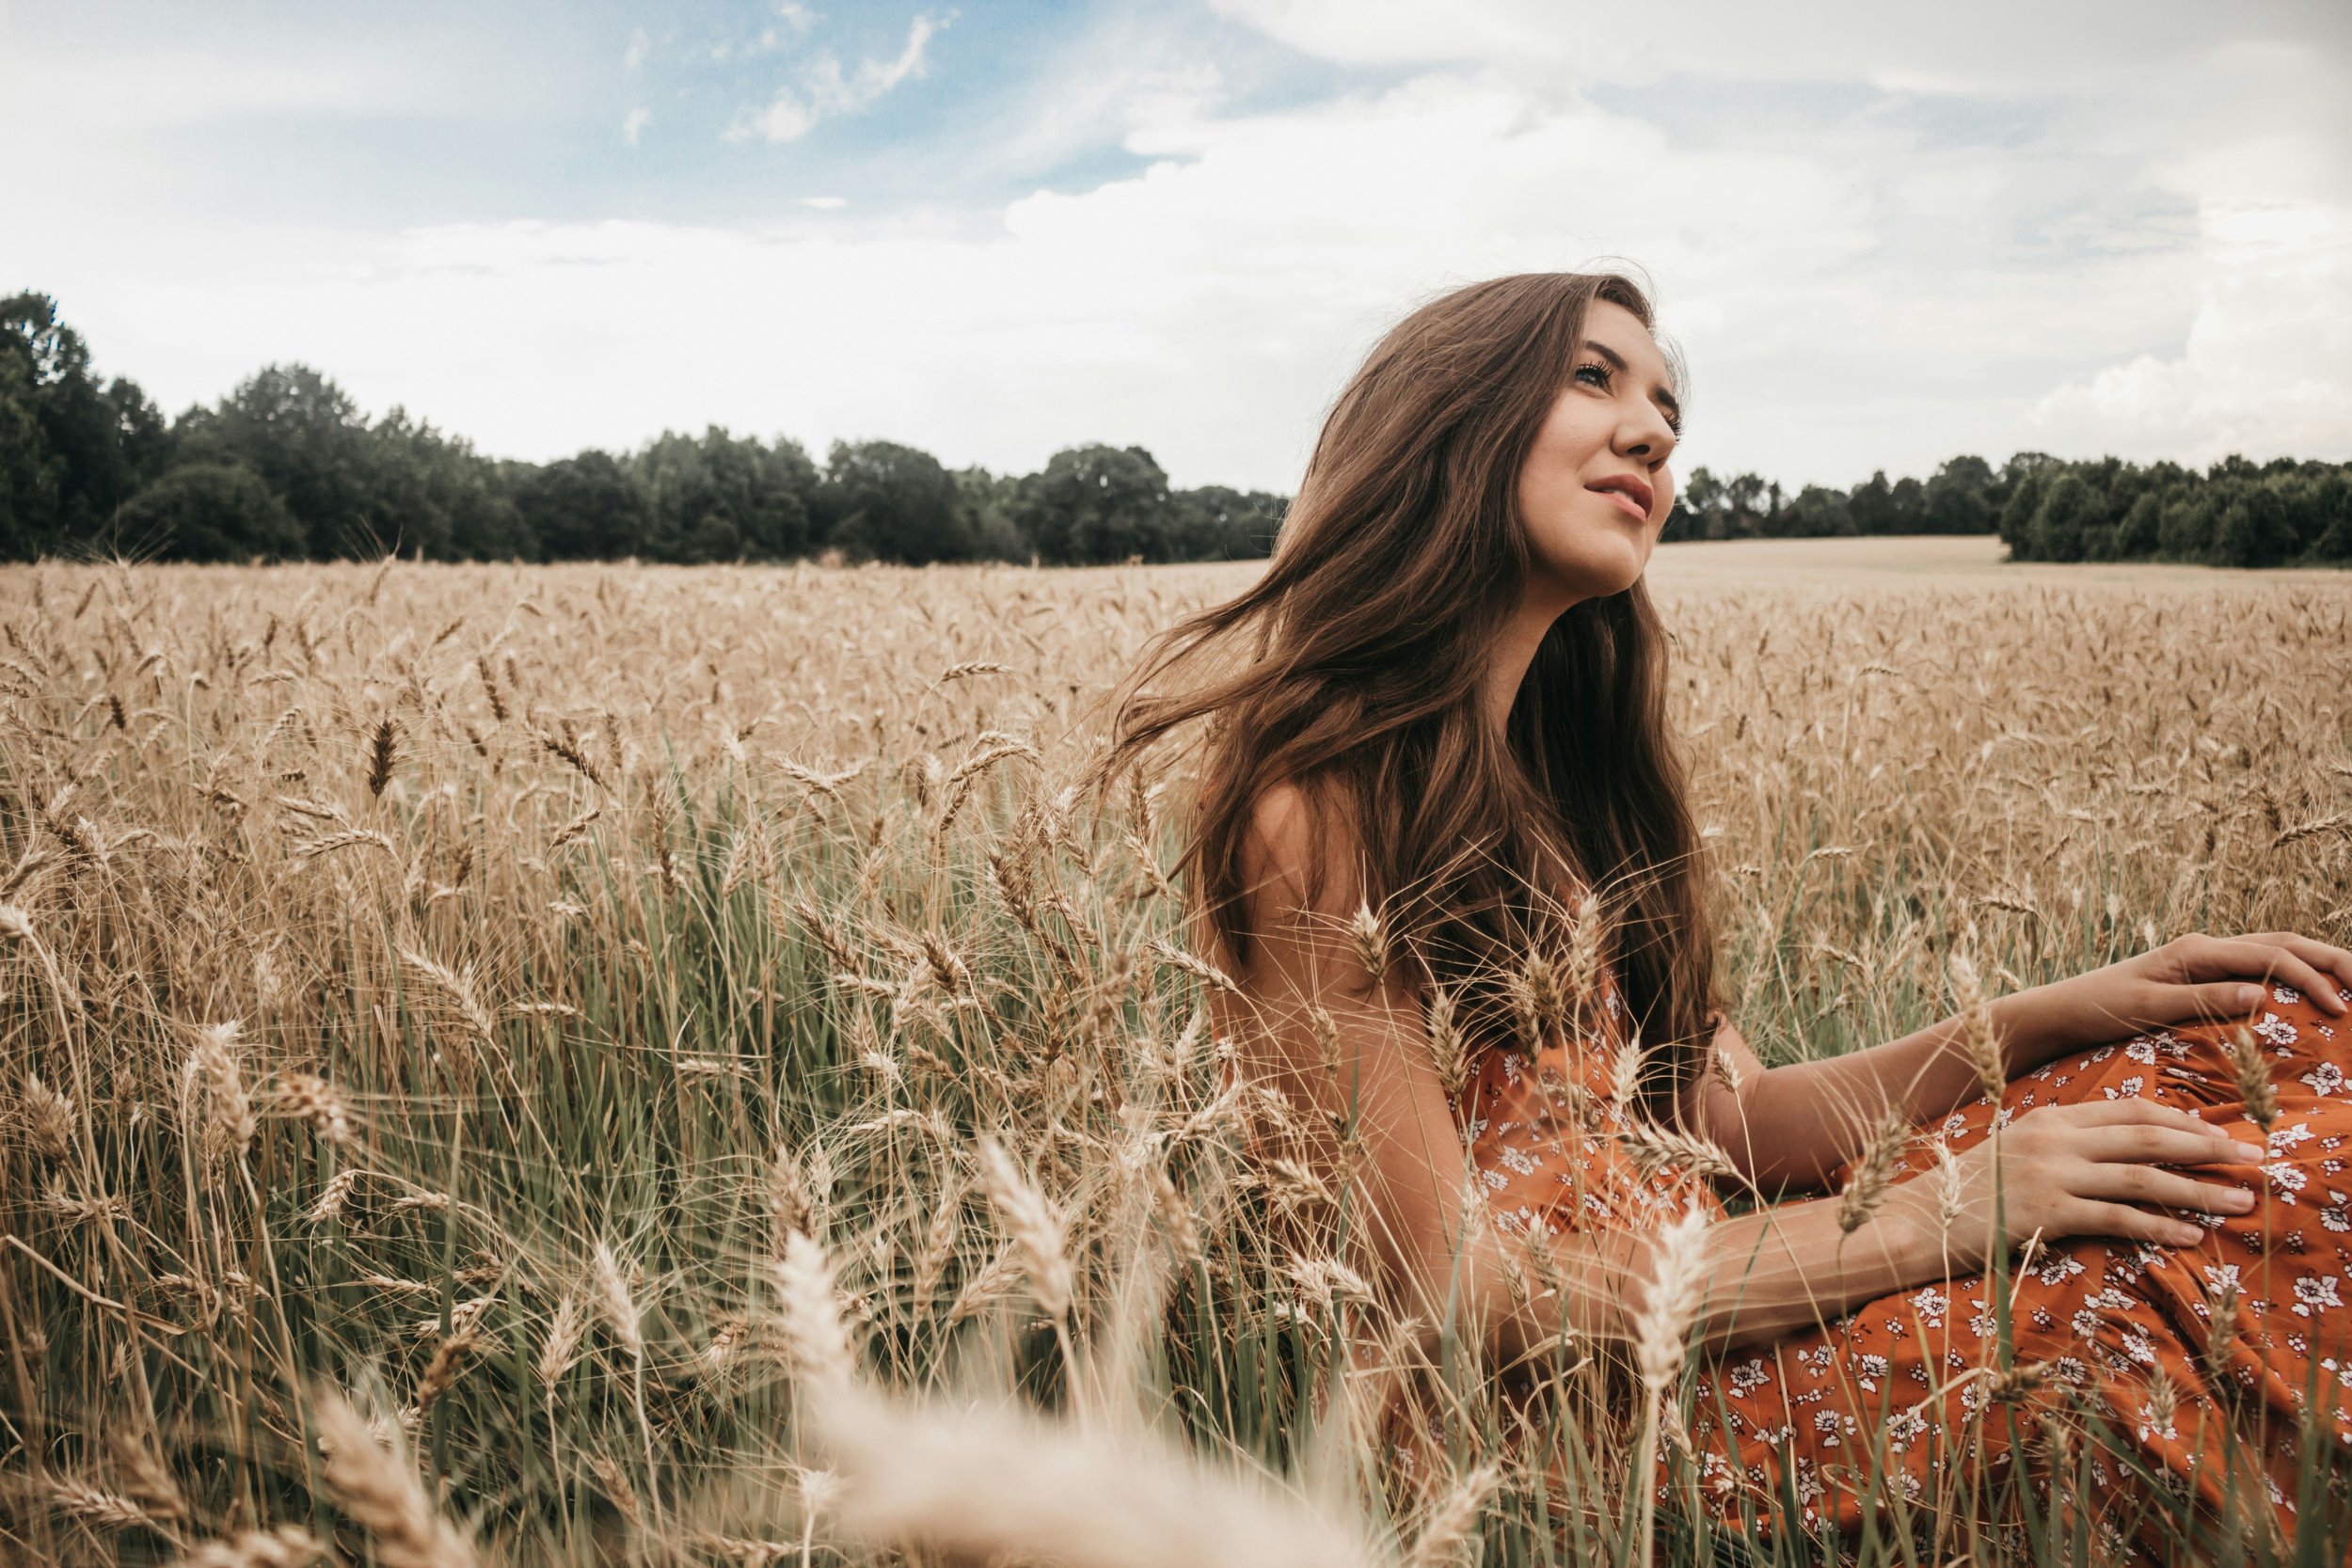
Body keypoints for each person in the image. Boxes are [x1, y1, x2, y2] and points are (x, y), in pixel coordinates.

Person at [1086, 269, 2352, 1559]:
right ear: (1446, 421)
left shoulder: (1559, 788)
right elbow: (1454, 1291)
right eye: (1594, 378)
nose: (1653, 432)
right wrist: (1937, 1216)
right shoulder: (1317, 811)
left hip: (1722, 1296)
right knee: (2125, 1278)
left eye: (1666, 406)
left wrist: (2048, 1018)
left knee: (2255, 1063)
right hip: (1590, 1436)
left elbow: (1720, 1118)